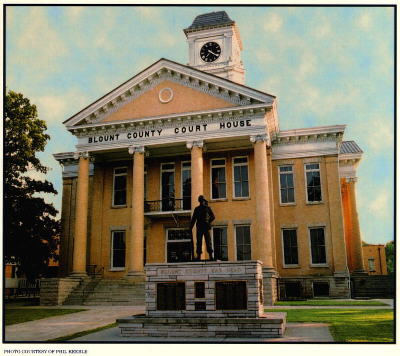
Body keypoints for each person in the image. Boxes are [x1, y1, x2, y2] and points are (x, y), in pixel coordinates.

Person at [190, 195, 215, 261]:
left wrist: (208, 221)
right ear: (199, 201)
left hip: (206, 227)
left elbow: (213, 217)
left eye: (202, 200)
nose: (201, 201)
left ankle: (210, 255)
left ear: (203, 200)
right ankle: (199, 256)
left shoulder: (207, 208)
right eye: (200, 200)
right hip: (199, 227)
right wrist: (190, 227)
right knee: (199, 242)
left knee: (208, 241)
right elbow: (193, 219)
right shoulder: (197, 209)